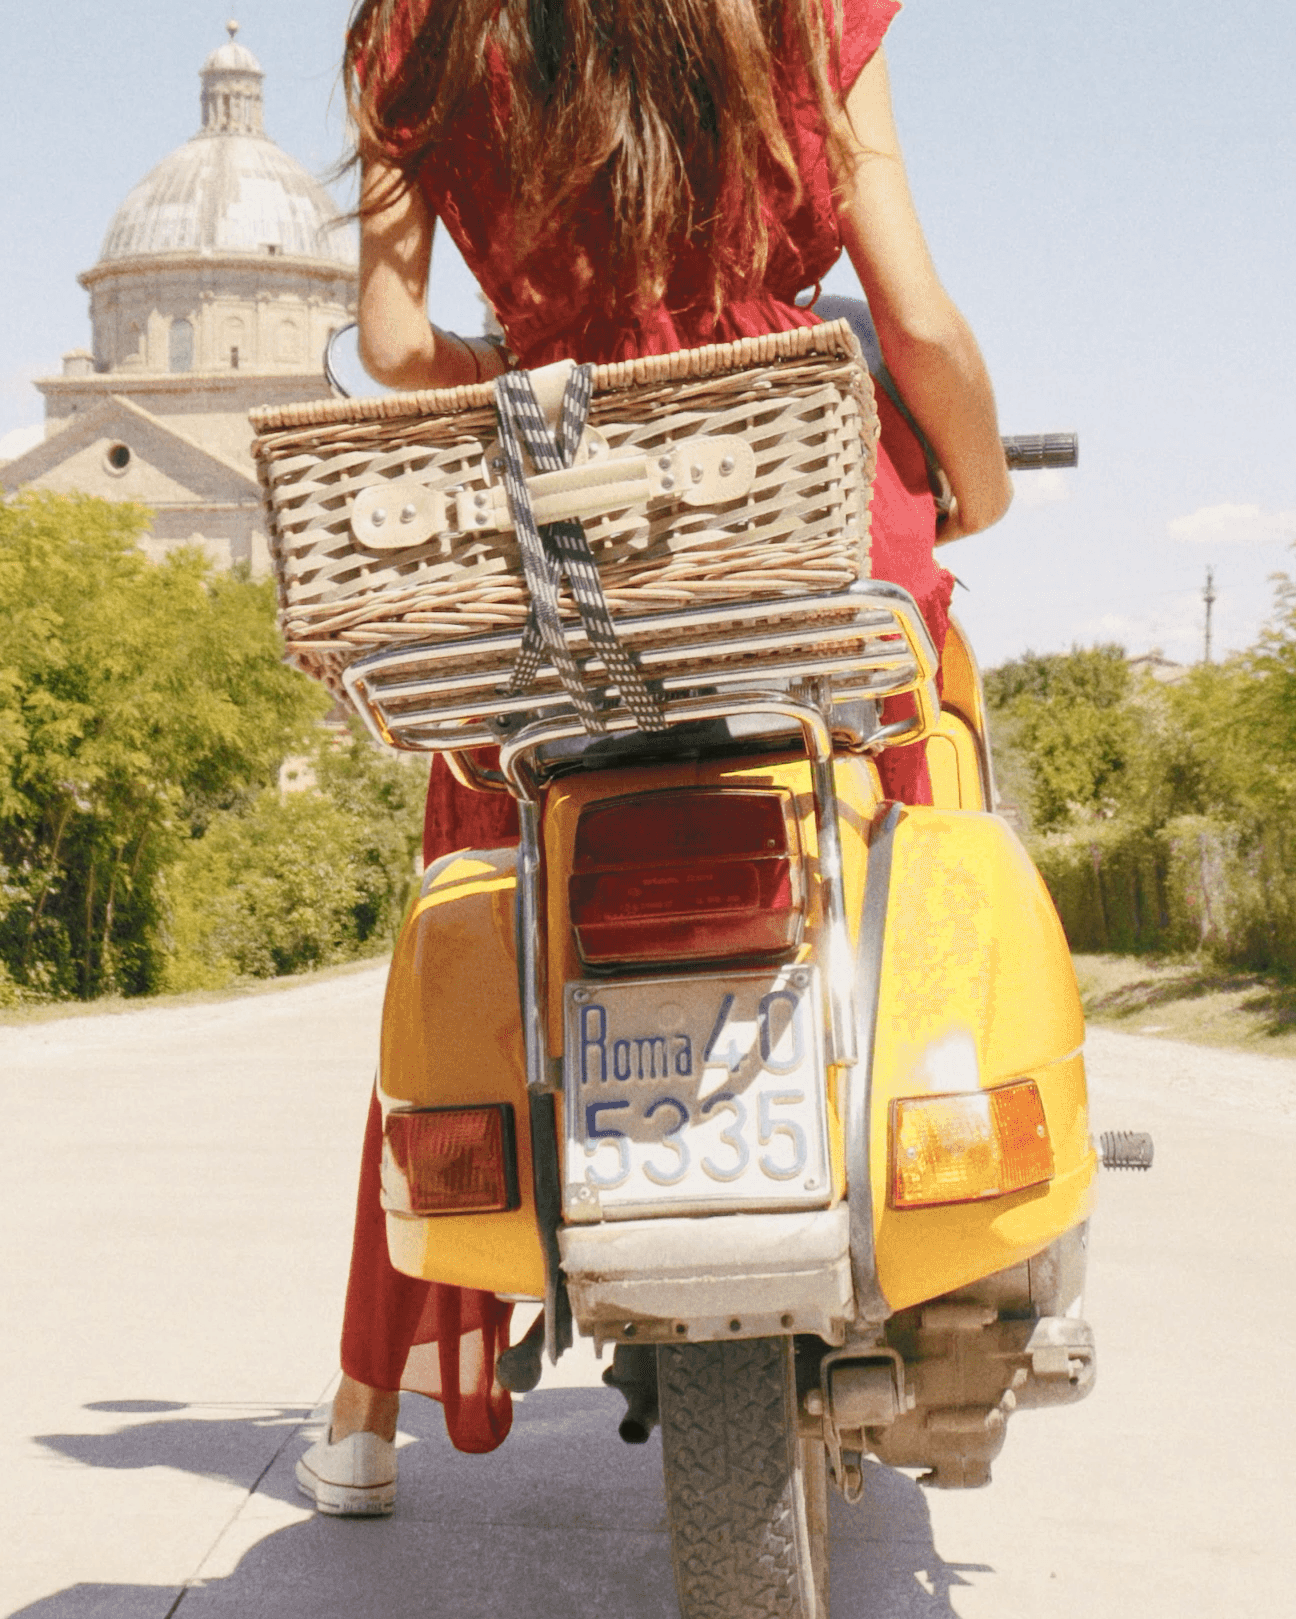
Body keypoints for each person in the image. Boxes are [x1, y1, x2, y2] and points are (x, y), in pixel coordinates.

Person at [295, 0, 1015, 1519]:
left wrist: (537, 361)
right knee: (911, 787)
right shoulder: (803, 11)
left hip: (560, 527)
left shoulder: (410, 33)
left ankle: (368, 1408)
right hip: (787, 496)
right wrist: (980, 478)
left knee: (485, 896)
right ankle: (945, 1239)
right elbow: (918, 319)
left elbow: (395, 347)